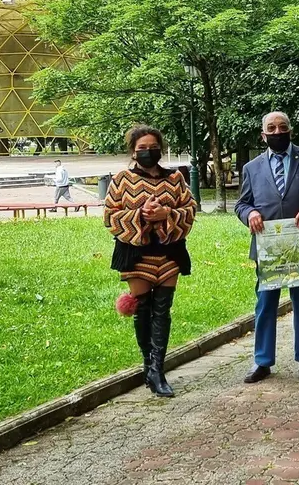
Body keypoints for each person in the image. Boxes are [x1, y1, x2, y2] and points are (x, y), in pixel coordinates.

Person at [235, 111, 299, 384]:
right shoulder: (251, 168)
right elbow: (242, 203)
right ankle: (262, 361)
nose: (277, 132)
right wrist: (250, 214)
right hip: (268, 248)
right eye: (271, 128)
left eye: (282, 127)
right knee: (265, 303)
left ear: (290, 130)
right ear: (262, 134)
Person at [104, 125, 197, 398]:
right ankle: (149, 365)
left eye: (152, 147)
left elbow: (190, 210)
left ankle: (157, 369)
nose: (147, 152)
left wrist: (166, 212)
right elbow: (110, 215)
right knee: (142, 310)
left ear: (160, 148)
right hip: (136, 253)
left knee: (163, 309)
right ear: (133, 151)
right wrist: (141, 216)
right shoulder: (122, 180)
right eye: (141, 148)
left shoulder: (176, 178)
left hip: (169, 252)